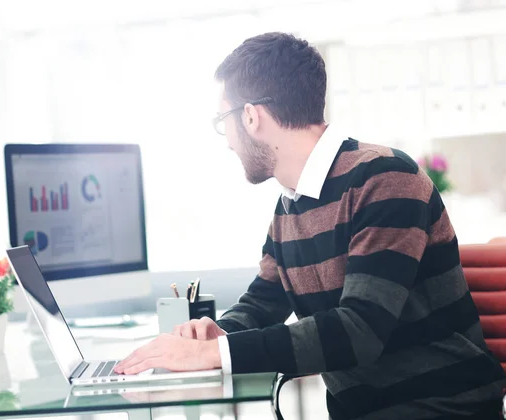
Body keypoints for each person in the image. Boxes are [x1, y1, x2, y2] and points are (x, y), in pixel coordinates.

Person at [114, 32, 506, 419]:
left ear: (251, 116)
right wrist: (212, 334)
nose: (227, 141)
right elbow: (261, 304)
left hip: (440, 409)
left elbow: (360, 331)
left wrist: (215, 354)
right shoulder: (290, 205)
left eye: (223, 121)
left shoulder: (386, 179)